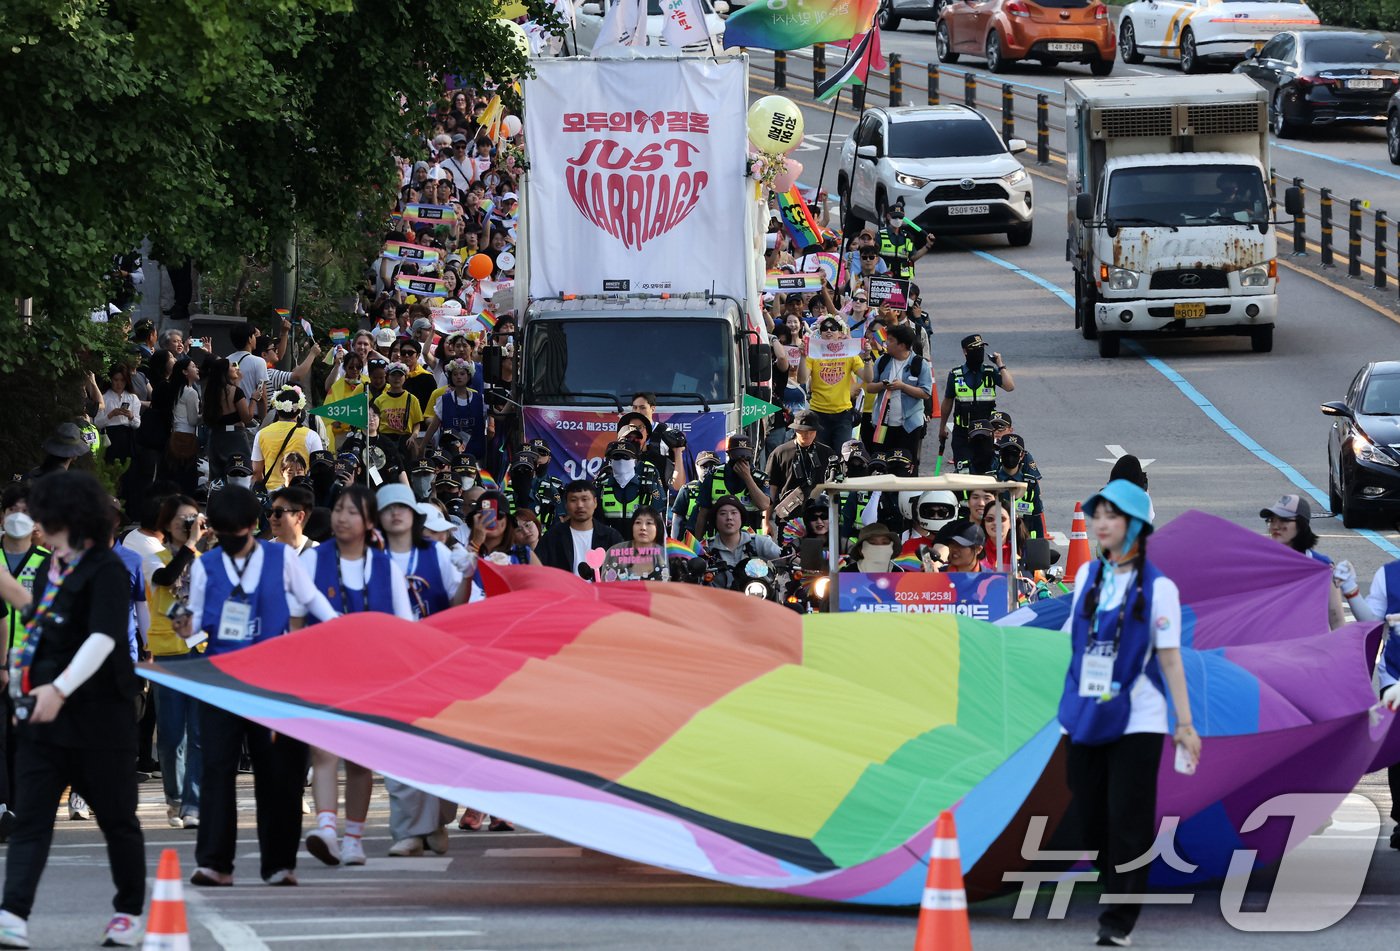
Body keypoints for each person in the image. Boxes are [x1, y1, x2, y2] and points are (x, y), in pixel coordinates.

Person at [0, 472, 147, 949]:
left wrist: (59, 689)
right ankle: (13, 916)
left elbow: (103, 637)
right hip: (44, 717)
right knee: (32, 820)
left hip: (101, 717)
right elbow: (44, 624)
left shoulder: (105, 568)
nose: (36, 521)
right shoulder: (50, 568)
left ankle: (127, 912)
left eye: (44, 512)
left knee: (118, 818)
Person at [1058, 480, 1199, 948]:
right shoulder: (1085, 578)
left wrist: (1184, 724)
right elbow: (1070, 641)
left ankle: (1119, 918)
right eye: (1097, 514)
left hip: (1140, 715)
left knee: (1129, 818)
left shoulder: (1160, 589)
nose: (1100, 523)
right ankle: (1115, 874)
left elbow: (1170, 657)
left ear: (1135, 526)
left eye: (1112, 516)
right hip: (1085, 712)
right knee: (1086, 812)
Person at [180, 485, 337, 888]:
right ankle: (215, 862)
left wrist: (344, 633)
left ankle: (280, 863)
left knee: (279, 772)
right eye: (222, 532)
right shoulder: (205, 566)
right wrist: (185, 626)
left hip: (273, 680)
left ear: (253, 525)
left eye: (238, 531)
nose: (231, 539)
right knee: (217, 770)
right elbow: (193, 626)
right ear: (212, 529)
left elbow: (313, 600)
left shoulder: (282, 557)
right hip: (221, 681)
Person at [299, 486, 412, 867]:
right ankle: (327, 830)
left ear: (368, 522)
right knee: (324, 751)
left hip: (370, 677)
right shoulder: (312, 562)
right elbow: (295, 618)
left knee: (361, 761)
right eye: (338, 510)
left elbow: (404, 627)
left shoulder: (386, 568)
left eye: (351, 512)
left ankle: (354, 838)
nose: (341, 518)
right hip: (322, 673)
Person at [375, 484, 466, 852]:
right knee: (397, 750)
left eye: (403, 507)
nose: (396, 514)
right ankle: (408, 832)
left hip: (436, 662)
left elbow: (458, 606)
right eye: (388, 508)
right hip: (389, 664)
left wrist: (471, 576)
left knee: (439, 748)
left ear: (414, 515)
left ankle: (437, 821)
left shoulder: (437, 554)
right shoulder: (371, 557)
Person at [143, 496, 207, 831]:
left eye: (192, 518)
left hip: (200, 652)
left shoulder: (207, 559)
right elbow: (167, 579)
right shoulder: (153, 559)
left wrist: (202, 545)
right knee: (170, 735)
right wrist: (192, 544)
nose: (187, 525)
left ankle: (193, 802)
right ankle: (175, 799)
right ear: (167, 524)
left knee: (197, 732)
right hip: (168, 652)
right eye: (182, 519)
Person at [1258, 495, 1344, 630]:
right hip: (1269, 646)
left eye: (1284, 520)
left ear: (1301, 524)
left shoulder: (1321, 566)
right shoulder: (1260, 563)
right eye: (1272, 519)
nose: (1275, 526)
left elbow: (1336, 617)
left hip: (1309, 647)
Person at [939, 335, 1014, 473]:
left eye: (981, 348)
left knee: (985, 473)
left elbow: (1010, 386)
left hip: (985, 434)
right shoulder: (956, 375)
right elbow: (947, 402)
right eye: (975, 349)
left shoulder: (990, 372)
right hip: (963, 433)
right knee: (964, 473)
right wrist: (942, 427)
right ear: (965, 351)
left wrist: (1000, 364)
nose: (979, 351)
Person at [798, 316, 871, 454]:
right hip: (818, 414)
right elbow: (802, 379)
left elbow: (868, 377)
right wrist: (802, 356)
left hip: (842, 415)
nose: (829, 331)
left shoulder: (849, 353)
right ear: (820, 333)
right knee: (820, 456)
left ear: (840, 333)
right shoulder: (813, 354)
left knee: (842, 455)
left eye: (834, 328)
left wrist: (867, 358)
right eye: (825, 328)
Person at [863, 323, 932, 462]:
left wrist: (902, 386)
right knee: (881, 464)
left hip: (909, 426)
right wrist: (882, 385)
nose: (886, 343)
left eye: (890, 340)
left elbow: (925, 393)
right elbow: (870, 387)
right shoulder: (883, 361)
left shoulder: (919, 364)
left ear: (902, 345)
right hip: (883, 425)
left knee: (906, 466)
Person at [535, 482, 623, 577]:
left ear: (595, 502)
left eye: (585, 499)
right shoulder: (552, 537)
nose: (580, 505)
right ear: (566, 505)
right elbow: (539, 572)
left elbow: (624, 572)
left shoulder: (611, 537)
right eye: (573, 500)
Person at [693, 436, 770, 536]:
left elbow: (764, 505)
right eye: (737, 455)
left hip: (751, 541)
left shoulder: (760, 478)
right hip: (718, 540)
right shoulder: (714, 475)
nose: (741, 460)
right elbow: (702, 514)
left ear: (751, 454)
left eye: (745, 456)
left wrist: (747, 478)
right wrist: (698, 545)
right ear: (728, 454)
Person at [765, 410, 832, 524]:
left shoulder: (827, 453)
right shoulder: (780, 453)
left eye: (811, 431)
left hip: (818, 518)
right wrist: (766, 521)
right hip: (788, 516)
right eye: (803, 431)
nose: (808, 435)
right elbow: (771, 488)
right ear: (796, 430)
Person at [252, 386, 324, 492]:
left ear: (277, 410)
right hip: (301, 491)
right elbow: (319, 470)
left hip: (272, 493)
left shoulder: (261, 434)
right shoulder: (311, 435)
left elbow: (257, 472)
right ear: (299, 410)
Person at [593, 440, 665, 538]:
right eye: (616, 457)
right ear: (610, 461)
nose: (621, 461)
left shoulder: (648, 487)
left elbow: (659, 525)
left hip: (641, 549)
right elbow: (595, 525)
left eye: (626, 457)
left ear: (635, 461)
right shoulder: (601, 488)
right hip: (610, 549)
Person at [706, 496, 781, 570]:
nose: (729, 517)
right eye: (723, 513)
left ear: (741, 518)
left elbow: (784, 559)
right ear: (715, 519)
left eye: (734, 513)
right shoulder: (706, 548)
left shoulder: (759, 542)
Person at [876, 201, 934, 280]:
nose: (897, 220)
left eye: (900, 217)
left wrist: (928, 245)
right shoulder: (881, 235)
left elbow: (913, 257)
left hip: (903, 279)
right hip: (885, 277)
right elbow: (873, 255)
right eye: (895, 217)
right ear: (888, 216)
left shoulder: (907, 237)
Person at [841, 522, 905, 573]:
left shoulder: (898, 574)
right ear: (861, 550)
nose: (880, 548)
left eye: (885, 543)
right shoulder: (847, 574)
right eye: (872, 543)